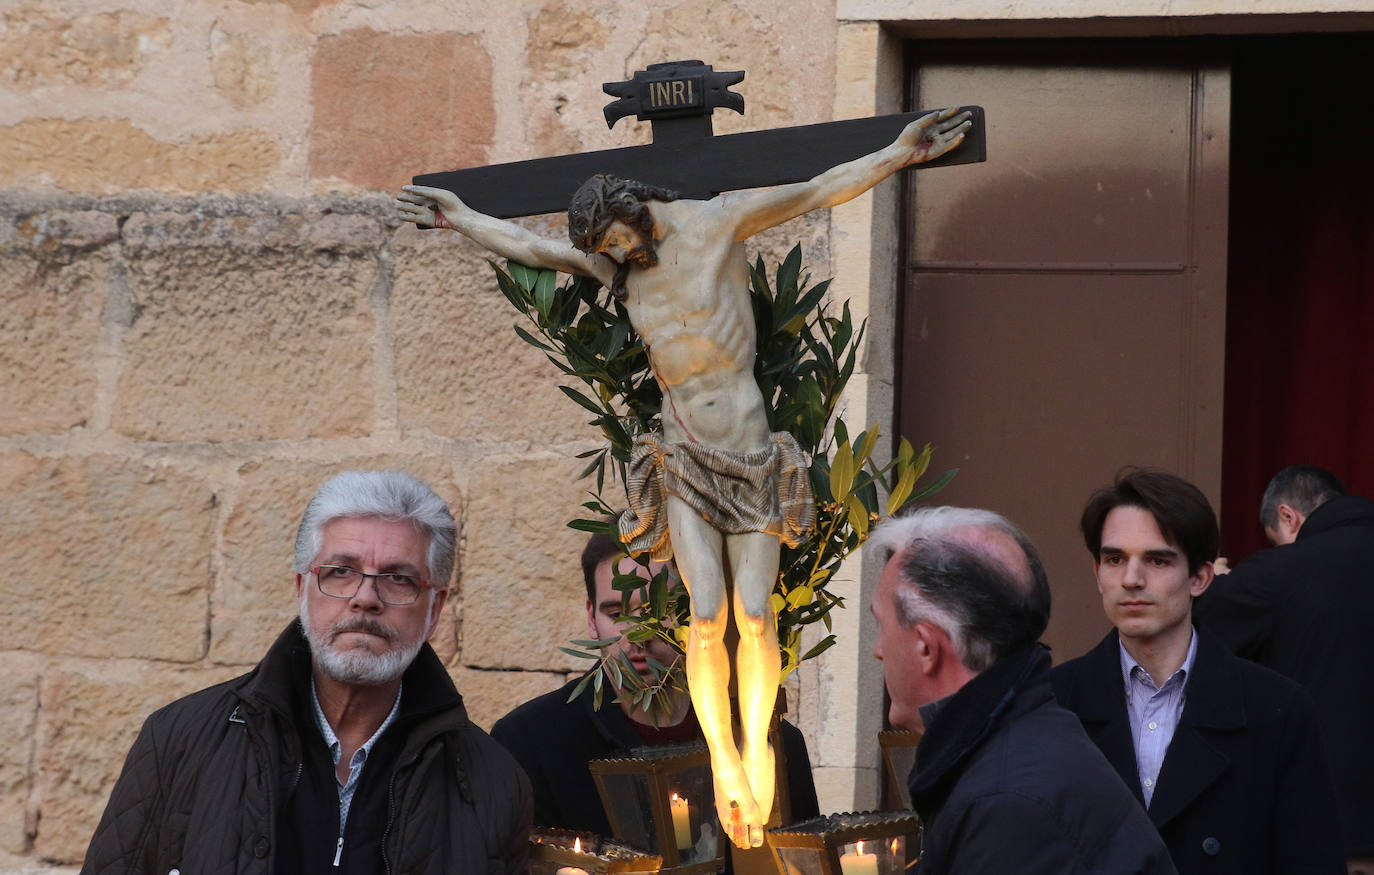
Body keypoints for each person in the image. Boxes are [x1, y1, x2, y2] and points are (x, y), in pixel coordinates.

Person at [396, 106, 972, 847]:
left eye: (617, 239)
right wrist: (461, 217)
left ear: (635, 213)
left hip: (753, 454)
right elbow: (529, 248)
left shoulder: (718, 222)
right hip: (686, 455)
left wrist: (897, 154)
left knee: (755, 615)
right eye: (604, 250)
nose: (616, 257)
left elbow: (822, 187)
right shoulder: (615, 266)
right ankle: (728, 761)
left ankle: (756, 742)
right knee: (706, 614)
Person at [80, 470, 532, 875]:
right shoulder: (179, 741)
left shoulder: (494, 783)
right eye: (340, 571)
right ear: (303, 590)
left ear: (434, 610)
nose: (365, 597)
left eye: (398, 578)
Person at [1052, 469, 1343, 874]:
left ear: (1201, 578)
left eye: (1156, 560)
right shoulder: (1052, 703)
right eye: (1114, 559)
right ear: (1098, 573)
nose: (1131, 580)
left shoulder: (1277, 709)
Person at [867, 506, 1176, 874]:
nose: (878, 649)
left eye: (882, 625)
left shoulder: (1008, 803)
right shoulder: (1017, 747)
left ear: (926, 647)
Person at [491, 531, 819, 842]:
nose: (637, 635)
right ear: (592, 618)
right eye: (617, 612)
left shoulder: (770, 746)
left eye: (656, 611)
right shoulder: (530, 742)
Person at [1195, 465, 1374, 872]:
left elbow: (1185, 641)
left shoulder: (1280, 572)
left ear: (1288, 516)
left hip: (1334, 828)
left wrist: (1220, 584)